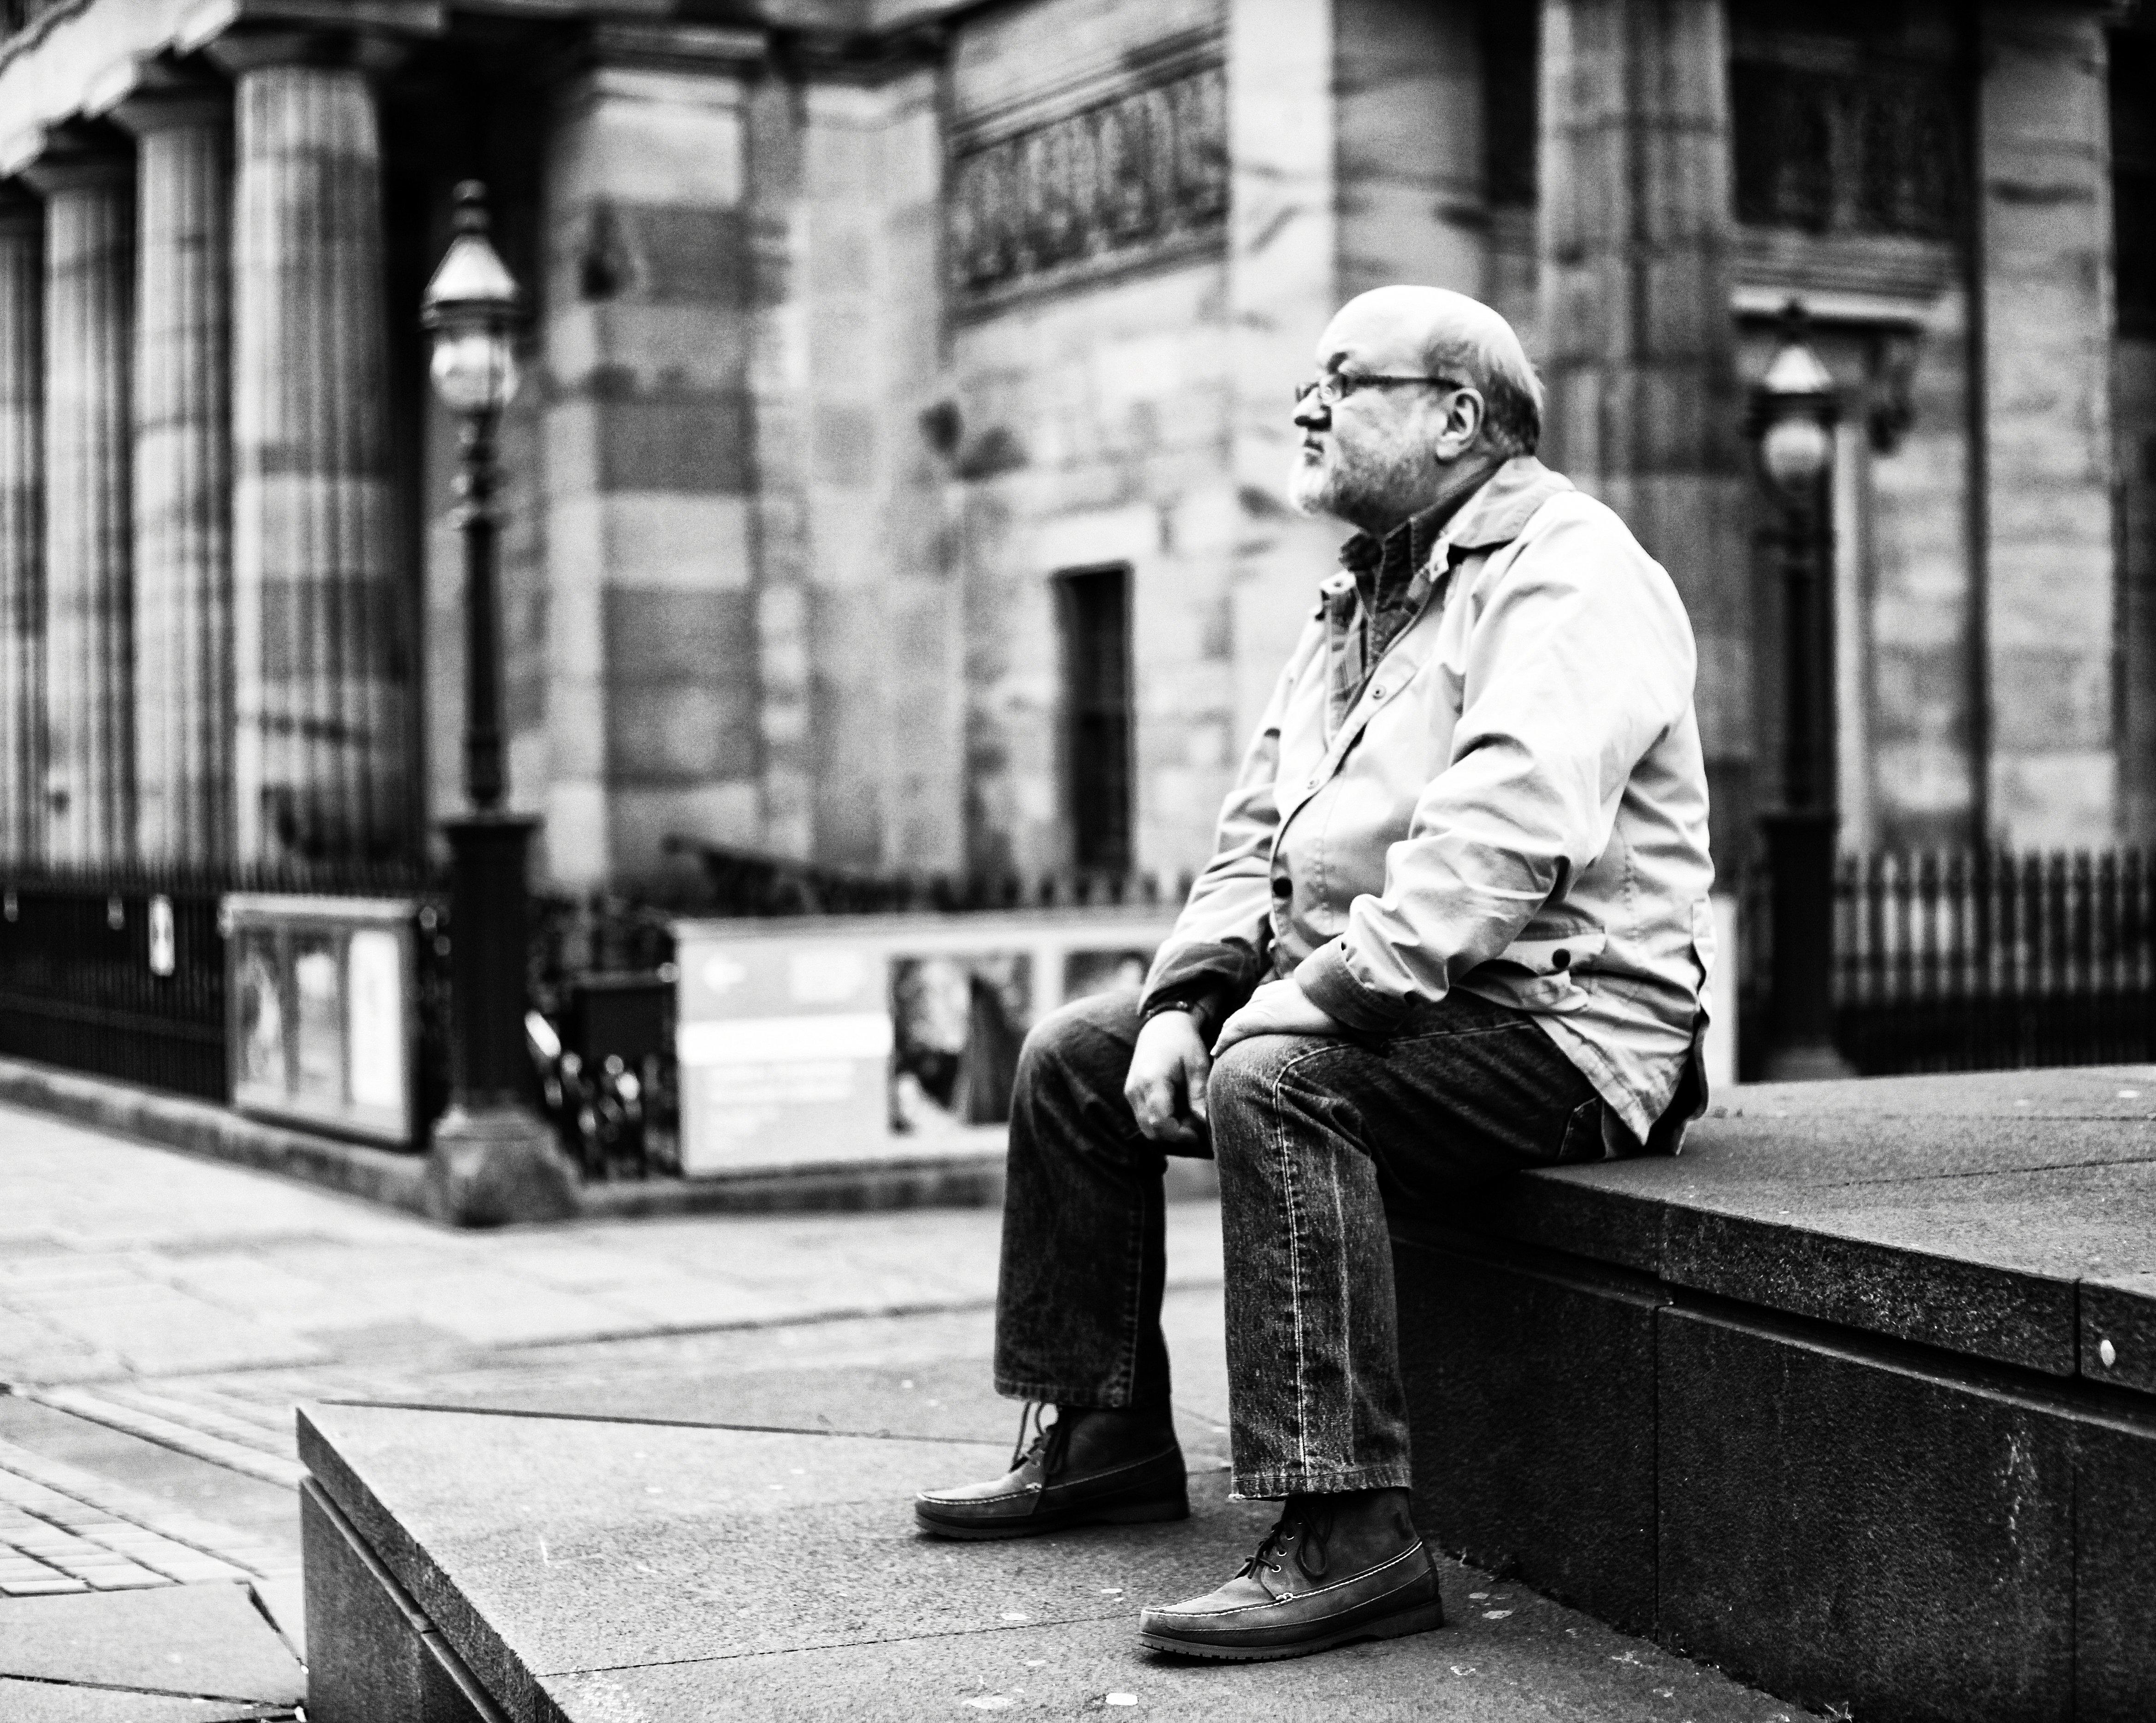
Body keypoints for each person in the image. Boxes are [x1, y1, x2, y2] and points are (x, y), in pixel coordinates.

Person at [914, 284, 1715, 1663]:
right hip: (1397, 1005)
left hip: (1566, 1027)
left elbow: (1495, 849)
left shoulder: (1575, 571)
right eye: (1310, 381)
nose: (1308, 405)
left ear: (1457, 416)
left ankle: (1353, 1531)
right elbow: (1255, 837)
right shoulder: (1358, 594)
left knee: (1279, 1080)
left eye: (1344, 380)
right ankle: (1104, 1432)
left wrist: (1290, 1009)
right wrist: (1185, 1001)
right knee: (1075, 1058)